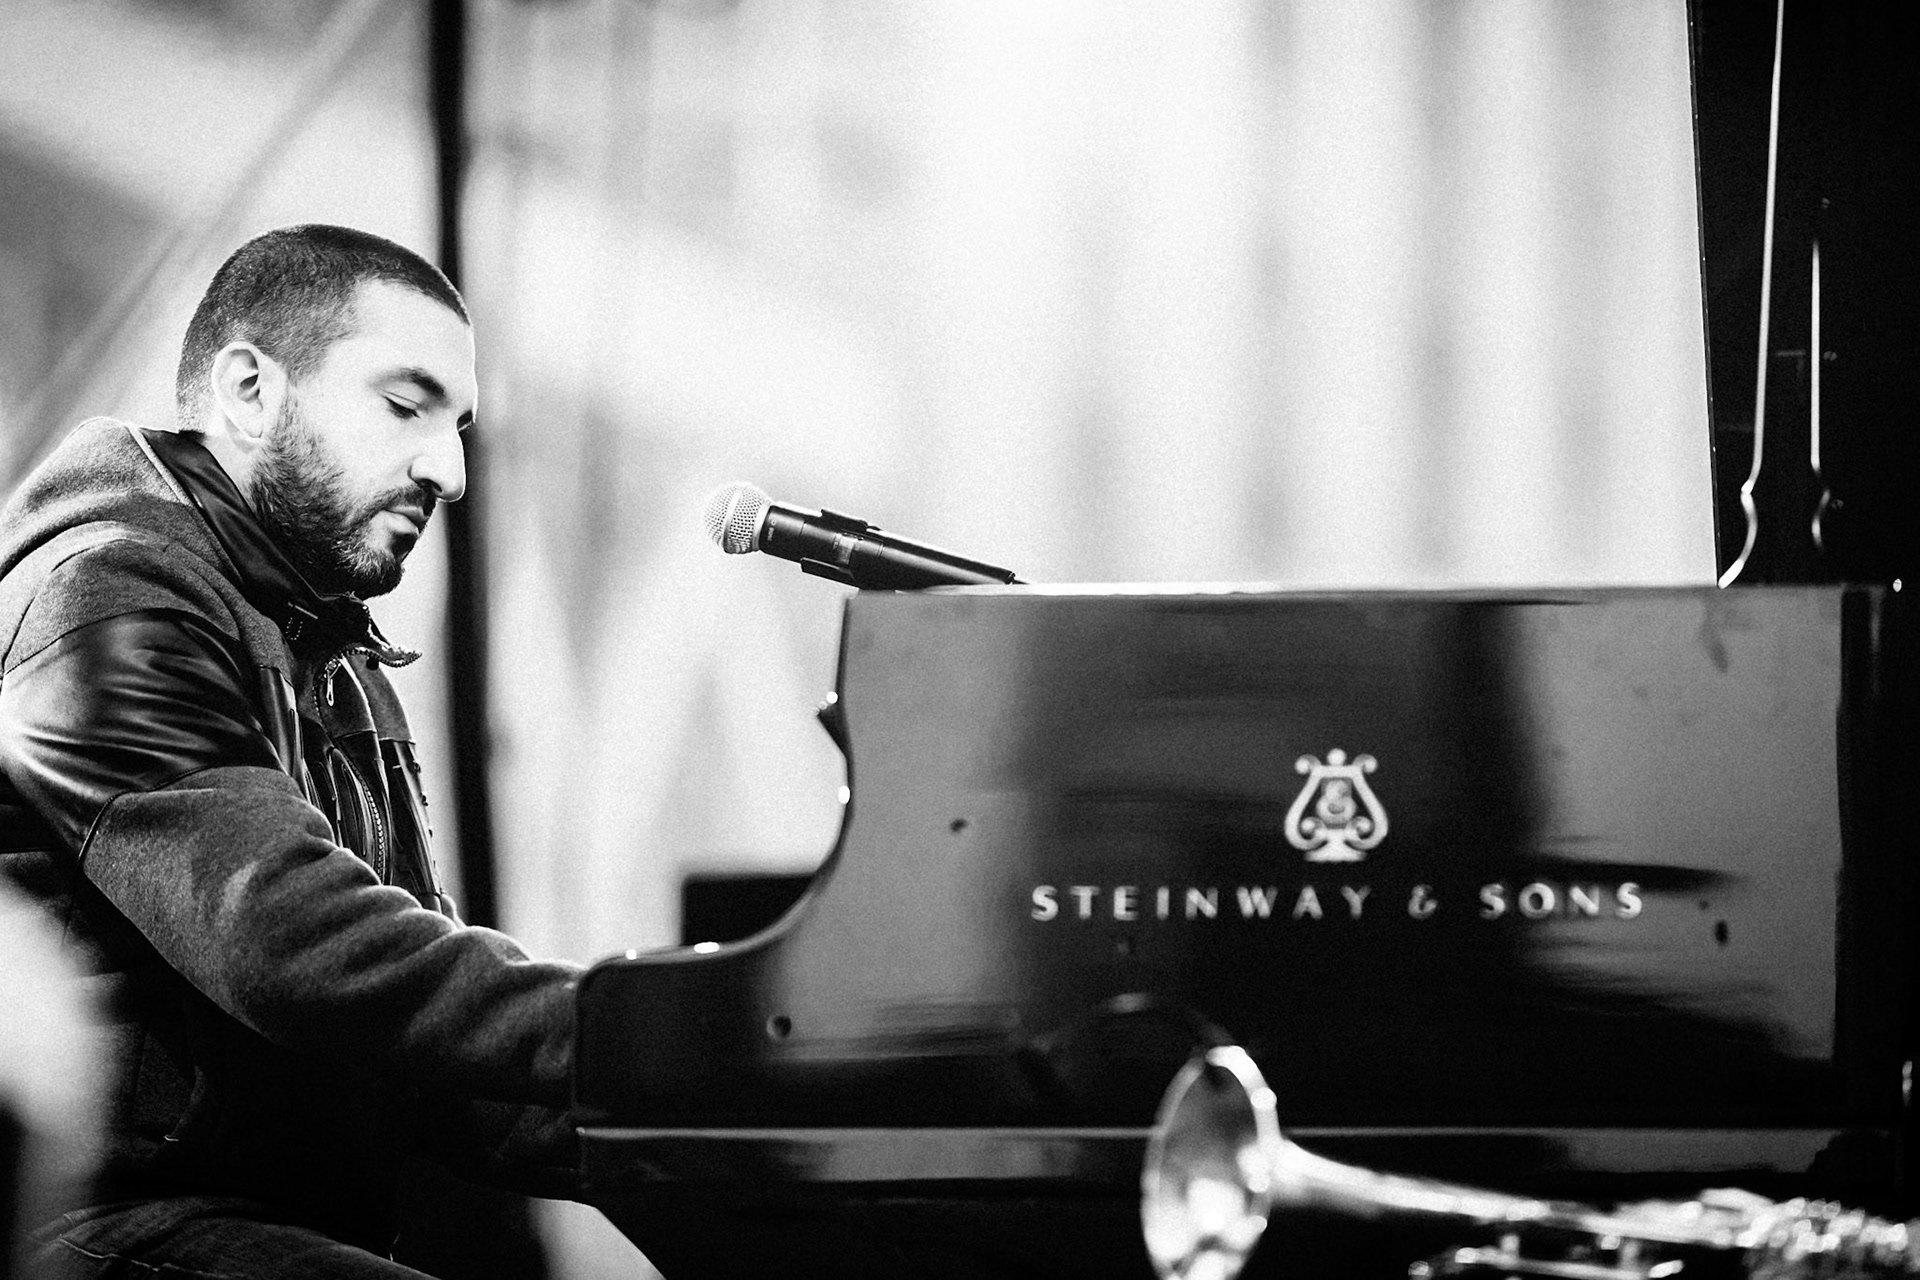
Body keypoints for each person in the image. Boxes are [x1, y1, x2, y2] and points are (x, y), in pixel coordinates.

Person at [0, 225, 582, 1278]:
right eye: (406, 406)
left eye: (459, 428)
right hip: (100, 1224)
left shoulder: (335, 656)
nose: (448, 471)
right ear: (249, 389)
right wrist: (639, 1032)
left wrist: (710, 1105)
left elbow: (424, 1041)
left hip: (246, 1225)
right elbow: (282, 937)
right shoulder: (110, 598)